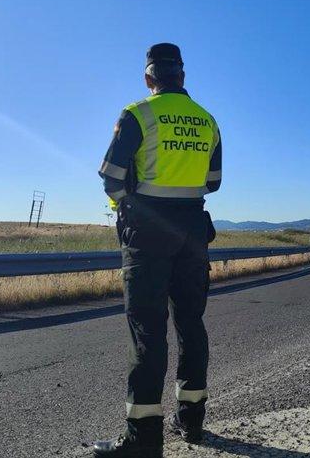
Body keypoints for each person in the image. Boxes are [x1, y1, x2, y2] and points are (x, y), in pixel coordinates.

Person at [93, 43, 222, 458]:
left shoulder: (137, 114)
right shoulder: (207, 120)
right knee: (191, 325)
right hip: (192, 232)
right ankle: (192, 421)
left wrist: (125, 204)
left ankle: (143, 439)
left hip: (147, 234)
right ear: (182, 76)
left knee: (147, 332)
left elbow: (111, 177)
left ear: (149, 78)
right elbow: (213, 182)